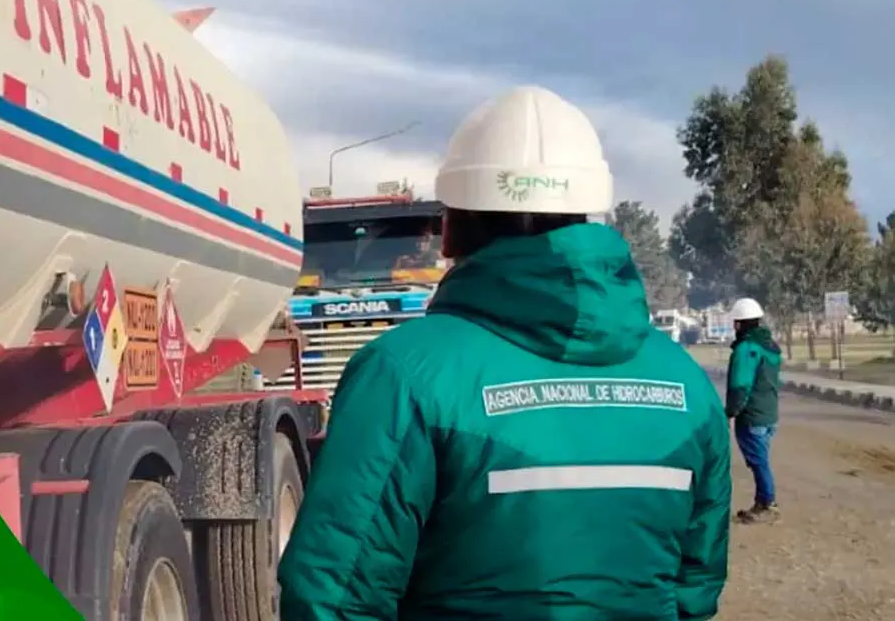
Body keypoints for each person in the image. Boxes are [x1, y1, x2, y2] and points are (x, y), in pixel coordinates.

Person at [278, 86, 732, 620]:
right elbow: (695, 589)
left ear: (449, 230)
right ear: (588, 212)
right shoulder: (688, 386)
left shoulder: (402, 376)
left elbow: (335, 599)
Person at [725, 297, 782, 524]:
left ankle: (768, 504)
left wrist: (730, 411)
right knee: (760, 460)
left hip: (753, 416)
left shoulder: (747, 349)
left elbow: (740, 385)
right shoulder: (770, 347)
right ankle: (761, 502)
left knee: (759, 463)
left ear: (740, 324)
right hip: (770, 414)